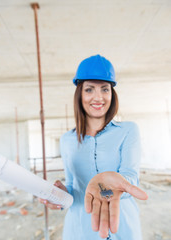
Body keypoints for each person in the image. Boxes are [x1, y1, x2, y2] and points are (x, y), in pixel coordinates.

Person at [39, 54, 148, 240]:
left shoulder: (128, 130)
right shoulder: (67, 140)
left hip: (122, 225)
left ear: (112, 94)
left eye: (105, 89)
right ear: (80, 94)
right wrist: (62, 195)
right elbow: (73, 185)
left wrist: (112, 184)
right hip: (80, 227)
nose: (98, 97)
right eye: (90, 90)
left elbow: (131, 177)